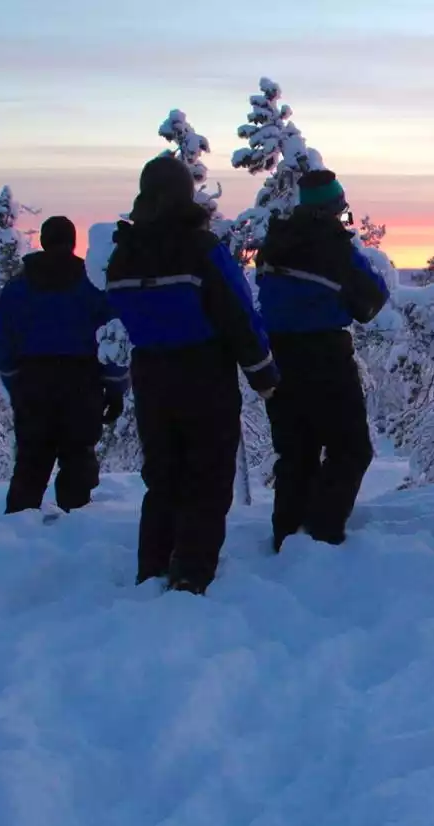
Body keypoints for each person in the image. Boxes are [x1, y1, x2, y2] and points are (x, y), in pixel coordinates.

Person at [105, 156, 279, 595]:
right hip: (203, 372)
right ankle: (191, 572)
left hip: (150, 372)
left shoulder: (123, 254)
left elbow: (124, 309)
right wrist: (262, 373)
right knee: (207, 472)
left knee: (163, 475)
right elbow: (237, 312)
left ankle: (152, 567)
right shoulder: (201, 250)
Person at [254, 169, 390, 551]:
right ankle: (323, 533)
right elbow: (372, 300)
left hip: (277, 356)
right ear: (332, 209)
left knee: (296, 450)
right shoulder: (335, 249)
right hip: (326, 356)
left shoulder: (274, 245)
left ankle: (285, 536)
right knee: (351, 448)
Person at [0, 215, 127, 515]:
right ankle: (75, 527)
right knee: (78, 460)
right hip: (82, 383)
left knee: (30, 462)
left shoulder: (17, 288)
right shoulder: (91, 285)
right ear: (73, 242)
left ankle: (17, 530)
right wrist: (116, 387)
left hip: (32, 382)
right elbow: (111, 339)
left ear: (43, 241)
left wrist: (16, 385)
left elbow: (2, 343)